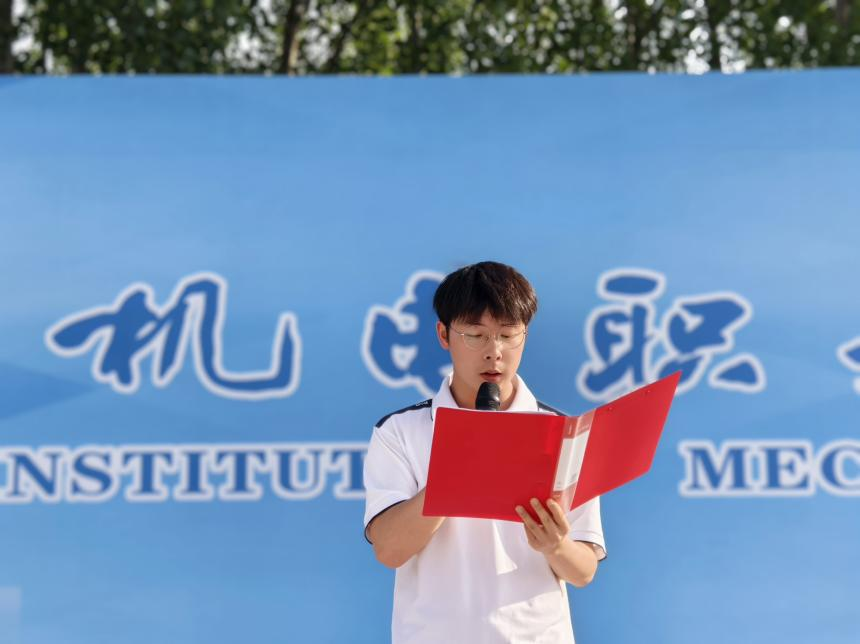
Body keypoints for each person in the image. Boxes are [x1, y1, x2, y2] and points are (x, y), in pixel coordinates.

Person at [363, 261, 606, 644]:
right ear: (444, 335)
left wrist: (556, 546)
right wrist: (455, 474)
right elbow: (389, 550)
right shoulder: (401, 431)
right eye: (476, 335)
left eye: (508, 335)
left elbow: (584, 570)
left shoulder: (563, 434)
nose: (495, 352)